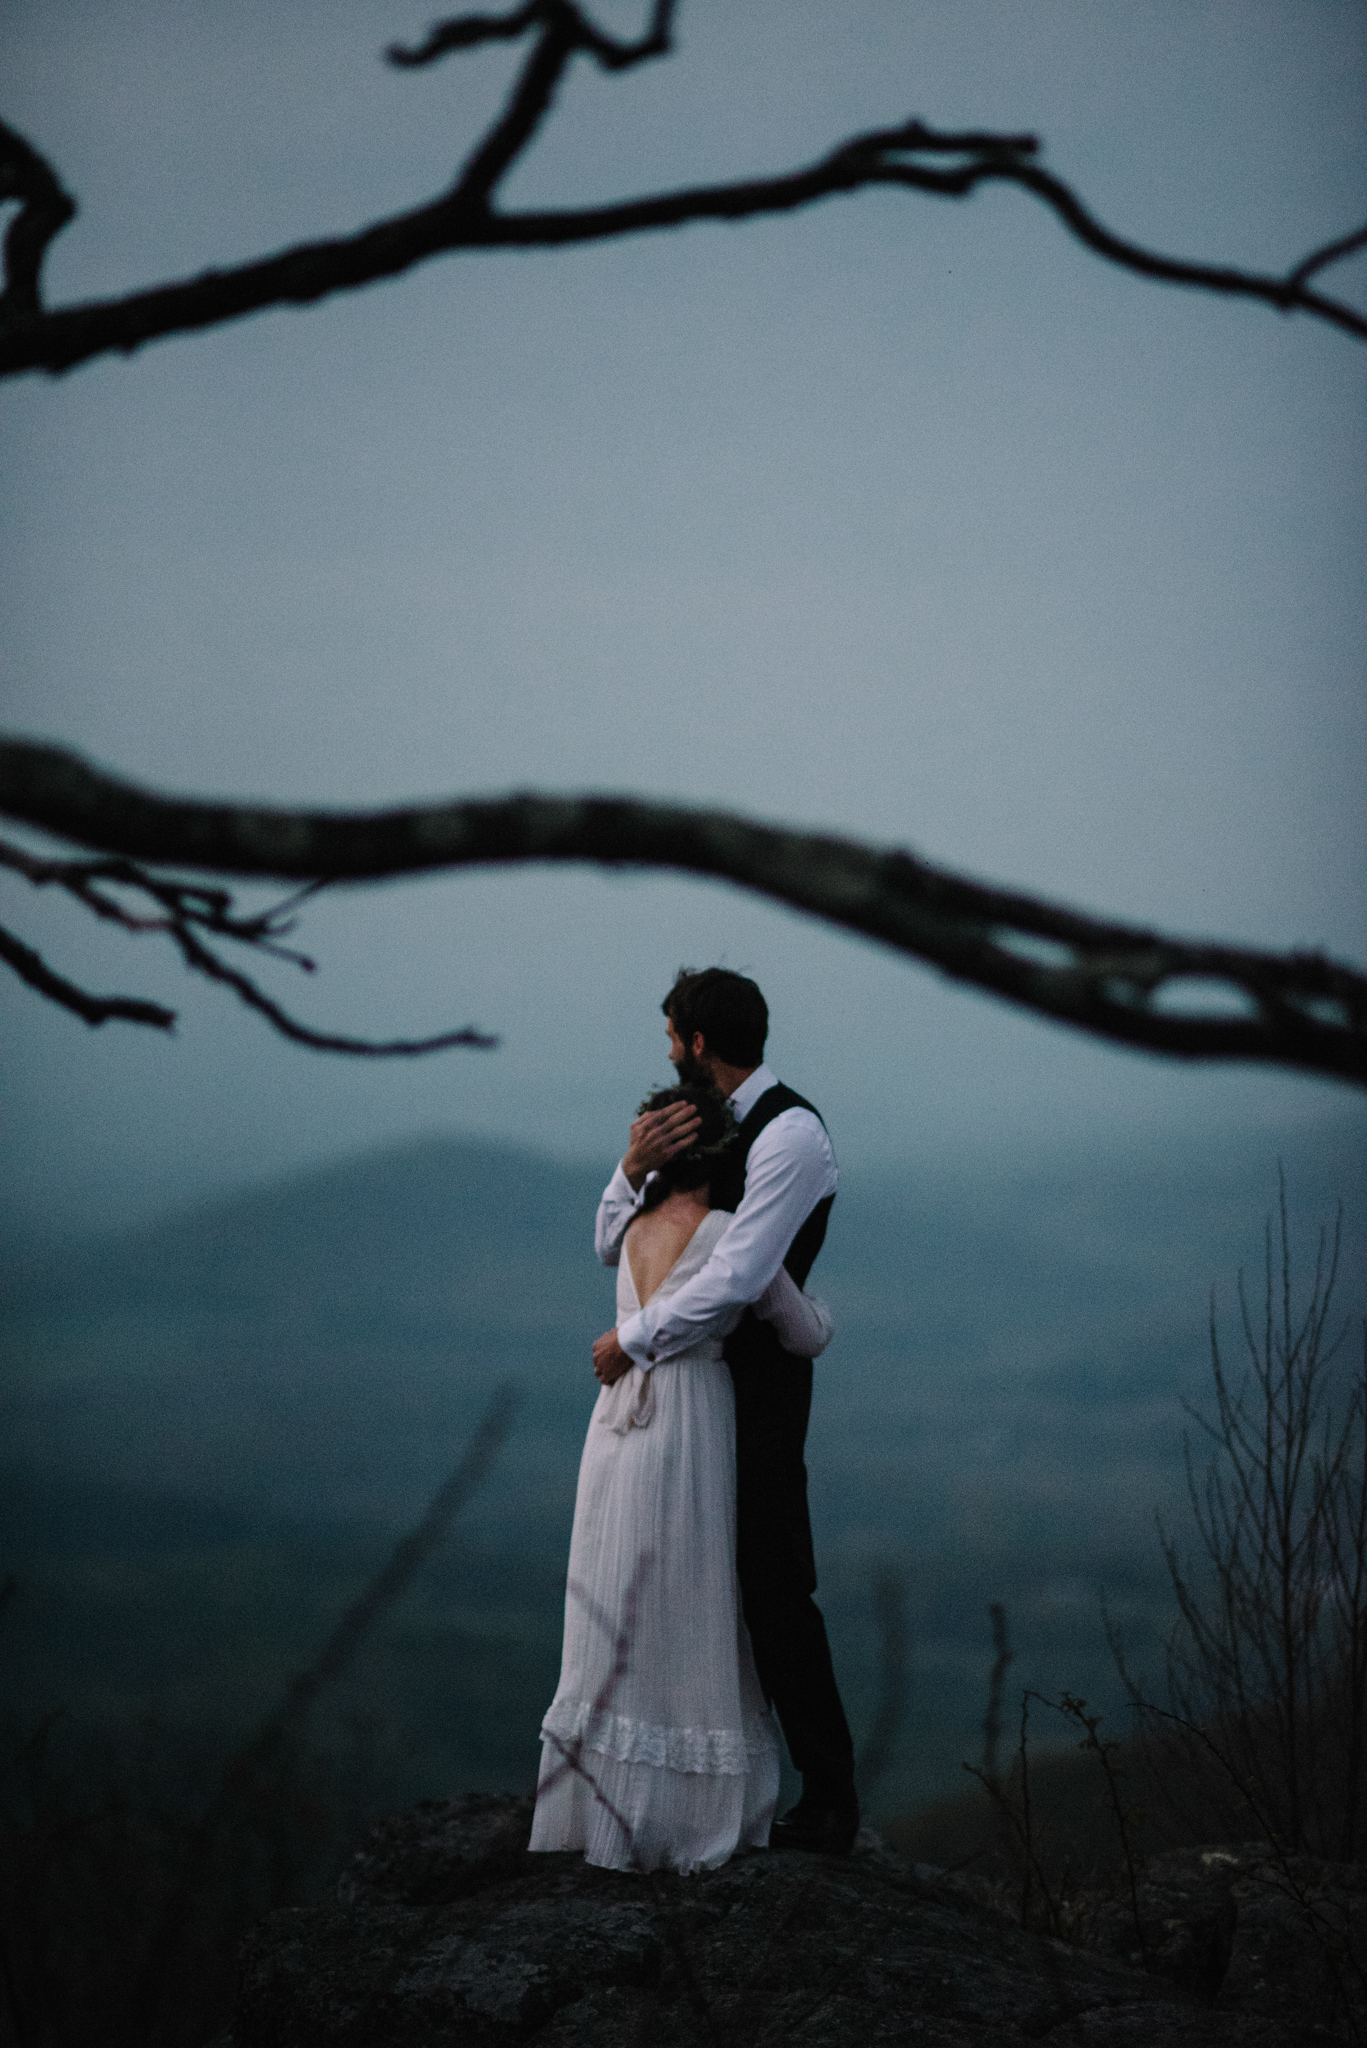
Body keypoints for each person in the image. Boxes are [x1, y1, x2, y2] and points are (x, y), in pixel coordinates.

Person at [528, 1083, 832, 1874]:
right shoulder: (731, 1235)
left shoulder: (627, 1227)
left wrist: (629, 1167)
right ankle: (687, 1814)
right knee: (692, 1594)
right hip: (694, 1414)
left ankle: (597, 1804)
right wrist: (825, 1313)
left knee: (615, 1582)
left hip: (617, 1420)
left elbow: (602, 1231)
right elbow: (803, 1335)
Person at [589, 969, 860, 1856]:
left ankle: (828, 1796)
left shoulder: (791, 1136)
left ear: (698, 1043)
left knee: (774, 1583)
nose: (666, 1050)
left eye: (671, 1036)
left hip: (759, 1396)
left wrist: (634, 1343)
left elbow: (740, 1277)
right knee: (698, 1582)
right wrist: (631, 1169)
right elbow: (612, 1242)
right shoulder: (691, 1130)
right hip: (691, 1386)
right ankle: (700, 1784)